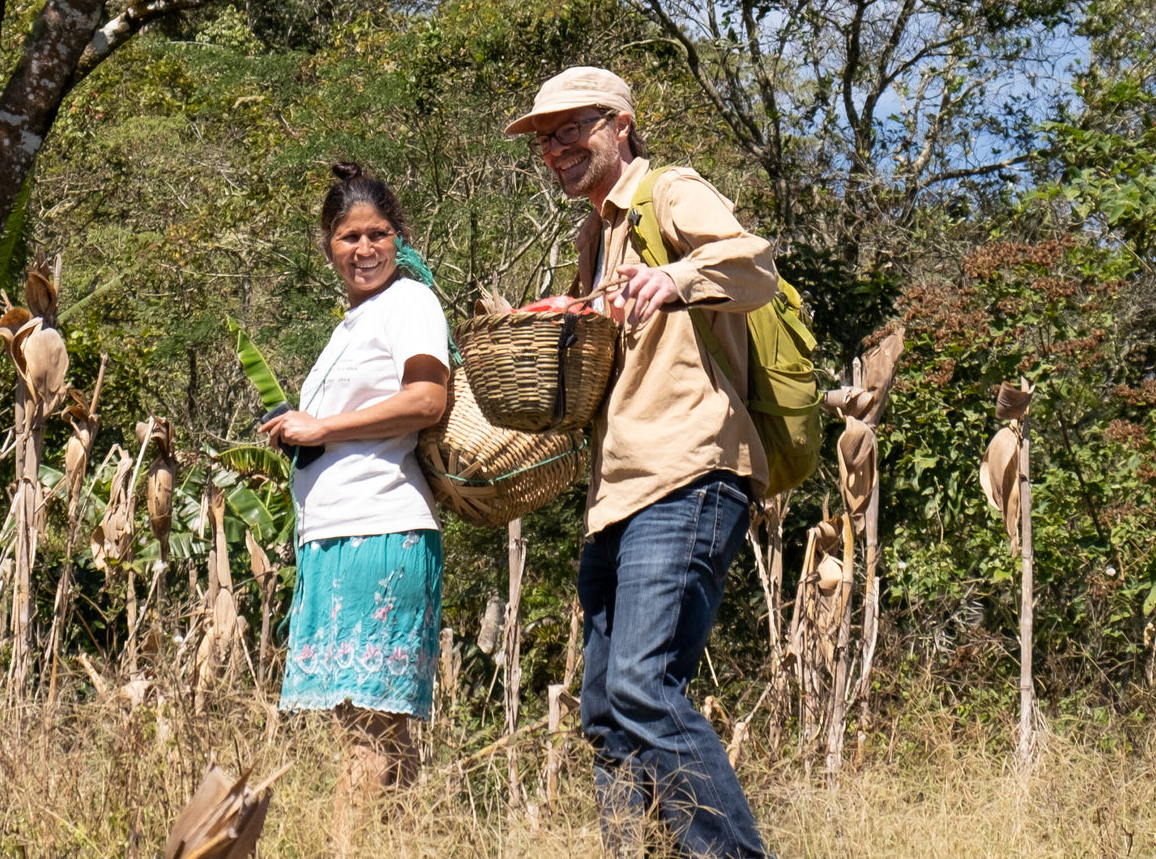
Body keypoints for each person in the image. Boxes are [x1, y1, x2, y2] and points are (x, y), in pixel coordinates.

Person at [506, 67, 778, 859]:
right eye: (544, 137)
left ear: (619, 125)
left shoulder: (669, 192)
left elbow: (754, 267)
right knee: (605, 711)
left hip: (687, 471)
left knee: (640, 687)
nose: (554, 147)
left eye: (570, 129)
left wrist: (674, 276)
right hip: (614, 493)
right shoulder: (593, 235)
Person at [262, 161, 450, 853]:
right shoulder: (355, 321)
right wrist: (301, 425)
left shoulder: (409, 304)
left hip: (380, 528)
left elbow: (428, 399)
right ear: (327, 246)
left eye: (377, 234)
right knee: (367, 722)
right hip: (337, 534)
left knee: (369, 723)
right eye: (348, 237)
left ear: (398, 239)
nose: (363, 249)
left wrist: (323, 428)